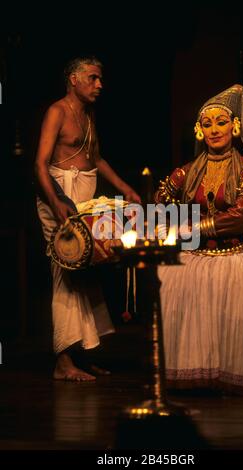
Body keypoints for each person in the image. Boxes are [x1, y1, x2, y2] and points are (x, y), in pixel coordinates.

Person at [155, 84, 243, 395]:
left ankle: (228, 376)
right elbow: (161, 199)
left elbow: (239, 217)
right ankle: (196, 375)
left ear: (235, 126)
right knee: (175, 291)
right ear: (199, 130)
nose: (215, 130)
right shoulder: (188, 171)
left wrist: (191, 227)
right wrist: (179, 220)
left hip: (235, 256)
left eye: (221, 123)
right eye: (207, 124)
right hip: (195, 256)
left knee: (231, 308)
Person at [35, 56, 141, 381]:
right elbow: (39, 163)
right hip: (60, 197)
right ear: (74, 79)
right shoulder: (57, 111)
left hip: (85, 198)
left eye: (100, 79)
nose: (100, 85)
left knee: (85, 272)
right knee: (64, 271)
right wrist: (55, 202)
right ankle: (63, 362)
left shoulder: (88, 114)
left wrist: (127, 189)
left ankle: (82, 354)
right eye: (93, 78)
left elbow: (94, 157)